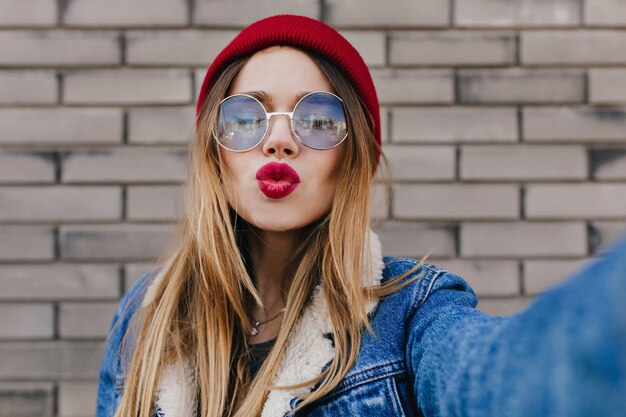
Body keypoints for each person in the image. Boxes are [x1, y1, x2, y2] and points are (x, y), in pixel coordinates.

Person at [95, 14, 626, 417]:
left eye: (318, 119)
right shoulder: (145, 314)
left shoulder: (412, 313)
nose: (279, 140)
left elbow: (509, 375)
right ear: (214, 152)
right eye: (247, 117)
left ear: (355, 159)